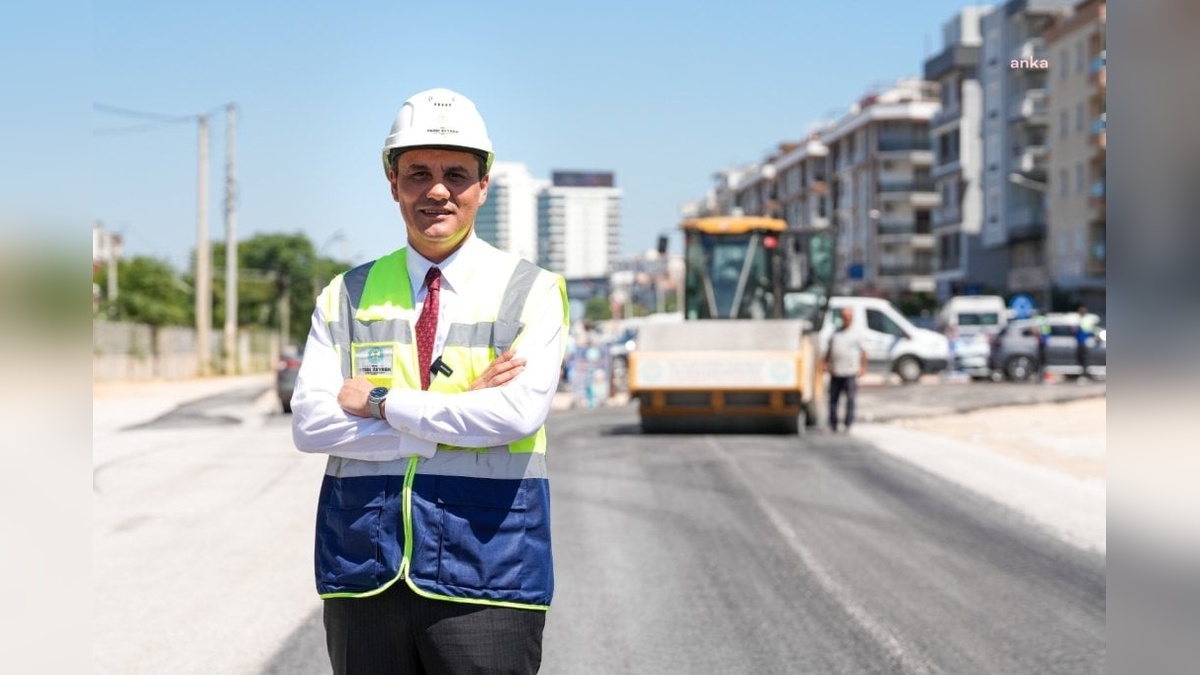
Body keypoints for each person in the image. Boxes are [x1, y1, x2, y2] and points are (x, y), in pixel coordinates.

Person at [290, 88, 568, 675]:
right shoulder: (346, 293)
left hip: (488, 572)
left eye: (456, 174)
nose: (437, 190)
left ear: (482, 186)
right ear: (393, 182)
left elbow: (515, 416)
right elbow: (313, 424)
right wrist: (452, 413)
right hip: (364, 570)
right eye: (418, 172)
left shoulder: (531, 292)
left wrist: (382, 404)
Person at [825, 306, 867, 433]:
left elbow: (863, 352)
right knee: (833, 399)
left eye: (848, 317)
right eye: (844, 316)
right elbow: (828, 351)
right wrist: (825, 364)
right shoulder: (835, 333)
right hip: (836, 371)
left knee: (850, 399)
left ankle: (848, 423)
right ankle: (833, 423)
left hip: (850, 372)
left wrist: (863, 367)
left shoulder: (856, 334)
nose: (846, 319)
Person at [1075, 304, 1098, 379]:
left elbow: (1090, 330)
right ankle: (1084, 373)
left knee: (1085, 359)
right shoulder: (1078, 319)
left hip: (1085, 342)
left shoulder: (1087, 319)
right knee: (1081, 359)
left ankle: (1085, 374)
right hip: (1080, 342)